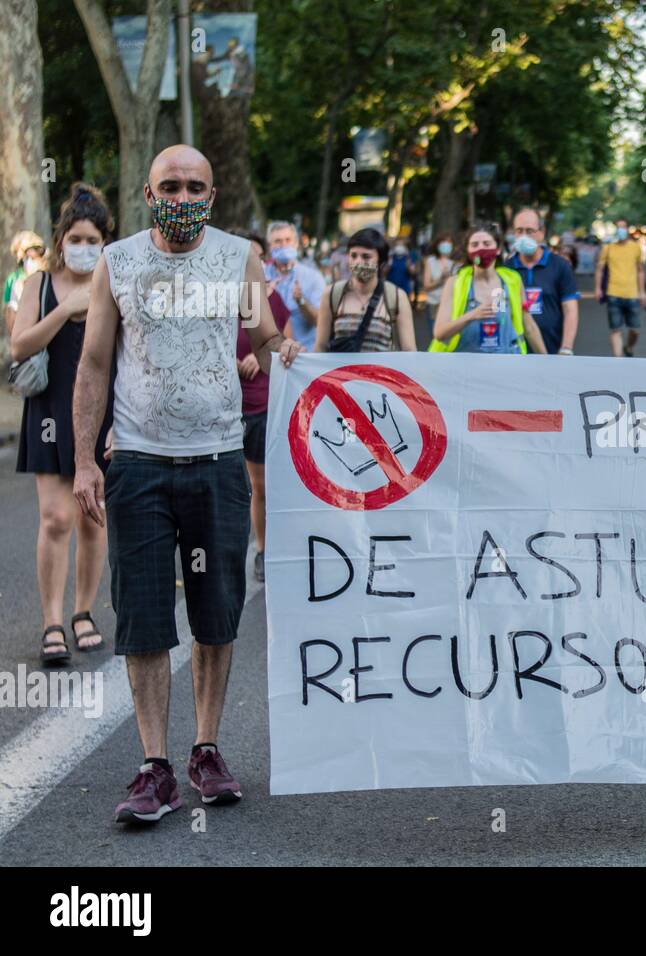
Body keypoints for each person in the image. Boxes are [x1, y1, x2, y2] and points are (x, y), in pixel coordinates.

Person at [71, 145, 304, 823]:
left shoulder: (240, 258)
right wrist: (85, 459)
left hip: (219, 462)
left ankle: (205, 749)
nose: (182, 195)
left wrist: (277, 349)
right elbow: (92, 363)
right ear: (148, 193)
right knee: (143, 616)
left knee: (216, 611)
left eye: (194, 185)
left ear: (214, 193)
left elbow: (261, 333)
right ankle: (154, 767)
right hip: (139, 463)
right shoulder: (118, 261)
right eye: (169, 185)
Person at [10, 185, 115, 665]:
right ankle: (51, 620)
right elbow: (19, 346)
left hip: (103, 415)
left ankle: (84, 612)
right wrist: (65, 311)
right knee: (55, 519)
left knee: (93, 522)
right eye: (75, 237)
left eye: (93, 239)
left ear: (105, 242)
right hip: (50, 414)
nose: (84, 247)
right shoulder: (39, 284)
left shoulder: (114, 284)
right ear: (61, 240)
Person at [229, 230, 291, 582]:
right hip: (222, 407)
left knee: (262, 484)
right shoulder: (217, 298)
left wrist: (258, 354)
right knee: (234, 486)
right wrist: (229, 359)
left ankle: (267, 551)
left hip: (261, 403)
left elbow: (285, 342)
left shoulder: (270, 301)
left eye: (255, 256)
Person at [431, 223, 547, 355]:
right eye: (475, 245)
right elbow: (439, 333)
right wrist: (472, 315)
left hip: (506, 363)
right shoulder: (455, 283)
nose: (481, 249)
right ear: (468, 252)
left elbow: (529, 327)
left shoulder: (512, 280)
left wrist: (545, 362)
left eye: (486, 244)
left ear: (497, 249)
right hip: (466, 366)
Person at [315, 228, 417, 353]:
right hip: (341, 372)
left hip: (381, 372)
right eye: (353, 256)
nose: (358, 262)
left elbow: (409, 350)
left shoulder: (396, 297)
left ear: (380, 261)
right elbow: (320, 347)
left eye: (366, 257)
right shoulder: (332, 294)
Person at [505, 207, 580, 355]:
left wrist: (566, 348)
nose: (523, 236)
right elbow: (499, 311)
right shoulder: (506, 270)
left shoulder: (560, 266)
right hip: (515, 353)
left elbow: (570, 310)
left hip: (553, 352)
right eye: (519, 231)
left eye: (529, 231)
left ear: (542, 232)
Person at [265, 220, 326, 351]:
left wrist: (301, 301)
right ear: (270, 246)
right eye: (278, 241)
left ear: (296, 244)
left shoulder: (313, 277)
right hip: (269, 355)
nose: (283, 245)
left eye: (288, 240)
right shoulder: (261, 276)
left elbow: (320, 321)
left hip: (304, 354)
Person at [596, 219, 646, 357]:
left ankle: (629, 348)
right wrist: (598, 288)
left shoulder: (635, 247)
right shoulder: (608, 248)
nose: (621, 230)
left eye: (623, 227)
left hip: (632, 294)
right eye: (618, 227)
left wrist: (642, 292)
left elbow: (640, 270)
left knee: (635, 330)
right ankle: (618, 362)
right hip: (613, 293)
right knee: (615, 330)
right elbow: (600, 269)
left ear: (628, 229)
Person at [5, 230, 46, 338]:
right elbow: (11, 319)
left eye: (32, 257)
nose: (29, 262)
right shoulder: (14, 280)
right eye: (25, 258)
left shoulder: (50, 277)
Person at [423, 233, 457, 326]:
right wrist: (441, 279)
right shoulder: (430, 261)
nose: (446, 244)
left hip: (451, 305)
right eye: (443, 242)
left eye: (449, 242)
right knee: (435, 336)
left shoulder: (456, 264)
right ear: (437, 245)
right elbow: (426, 286)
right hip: (433, 304)